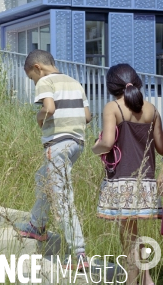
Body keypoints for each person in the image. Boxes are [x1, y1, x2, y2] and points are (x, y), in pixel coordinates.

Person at [14, 49, 91, 270]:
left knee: (63, 198)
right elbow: (87, 116)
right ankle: (37, 226)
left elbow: (49, 108)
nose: (33, 82)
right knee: (43, 177)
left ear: (38, 68)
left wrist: (39, 117)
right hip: (77, 143)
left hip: (57, 145)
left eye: (31, 77)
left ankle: (79, 253)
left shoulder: (45, 81)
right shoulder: (74, 82)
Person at [92, 64, 163, 285]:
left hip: (122, 181)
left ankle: (134, 281)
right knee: (133, 232)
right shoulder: (152, 110)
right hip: (147, 181)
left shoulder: (113, 108)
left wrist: (95, 147)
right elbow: (161, 147)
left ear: (112, 86)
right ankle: (147, 278)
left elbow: (107, 142)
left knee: (129, 236)